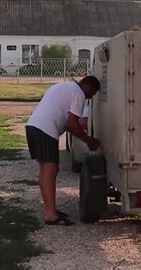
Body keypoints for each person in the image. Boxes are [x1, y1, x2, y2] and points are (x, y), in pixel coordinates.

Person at [25, 75, 101, 226]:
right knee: (50, 171)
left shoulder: (61, 86)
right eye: (90, 94)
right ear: (87, 86)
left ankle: (50, 210)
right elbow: (72, 124)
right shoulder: (78, 92)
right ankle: (51, 215)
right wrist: (89, 141)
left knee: (46, 171)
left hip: (33, 125)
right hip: (45, 129)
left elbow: (69, 122)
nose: (88, 98)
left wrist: (80, 129)